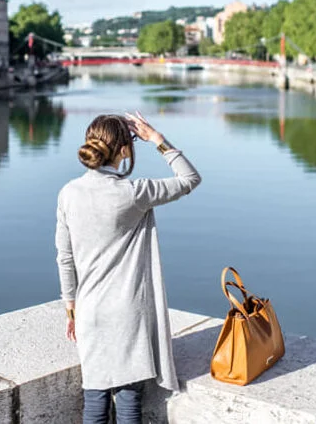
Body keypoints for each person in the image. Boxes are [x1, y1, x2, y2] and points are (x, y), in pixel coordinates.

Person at [55, 112, 201, 424]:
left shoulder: (69, 193)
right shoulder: (134, 193)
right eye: (132, 143)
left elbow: (65, 258)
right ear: (124, 150)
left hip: (90, 312)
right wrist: (158, 140)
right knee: (128, 404)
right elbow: (190, 179)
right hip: (127, 315)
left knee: (94, 405)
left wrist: (71, 308)